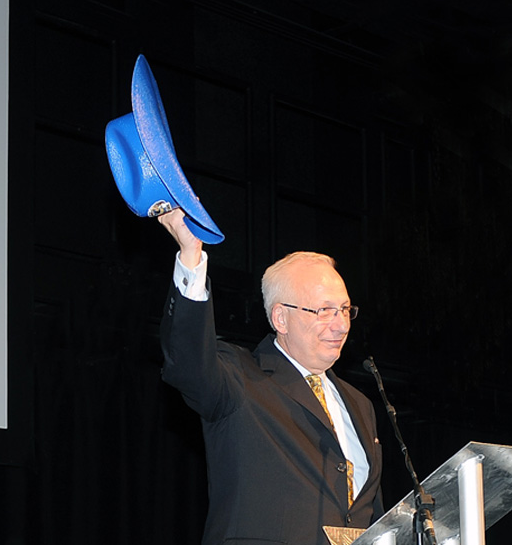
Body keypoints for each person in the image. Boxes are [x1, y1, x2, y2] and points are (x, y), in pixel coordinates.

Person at [157, 209, 384, 545]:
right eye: (324, 311)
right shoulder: (239, 377)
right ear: (281, 317)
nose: (341, 325)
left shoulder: (360, 405)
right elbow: (188, 363)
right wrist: (192, 257)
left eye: (345, 309)